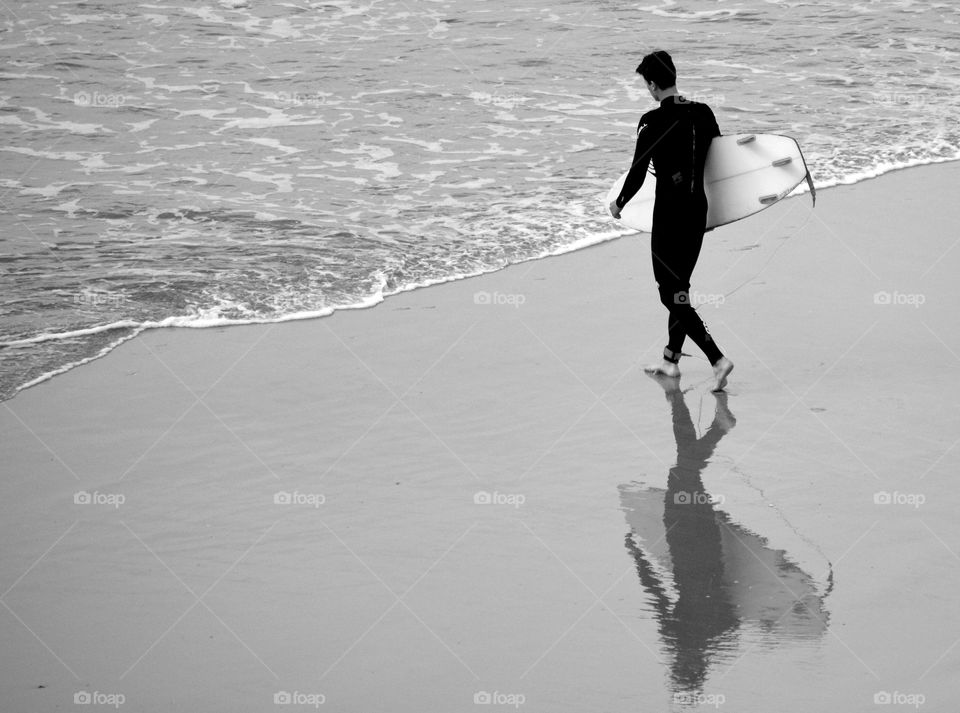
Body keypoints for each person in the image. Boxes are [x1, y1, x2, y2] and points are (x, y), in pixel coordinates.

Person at [609, 50, 734, 392]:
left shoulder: (651, 122)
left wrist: (618, 204)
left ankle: (717, 359)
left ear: (651, 84)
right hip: (698, 210)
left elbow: (636, 174)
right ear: (674, 76)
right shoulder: (703, 113)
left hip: (669, 217)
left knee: (670, 294)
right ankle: (670, 361)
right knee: (680, 291)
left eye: (646, 85)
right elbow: (721, 160)